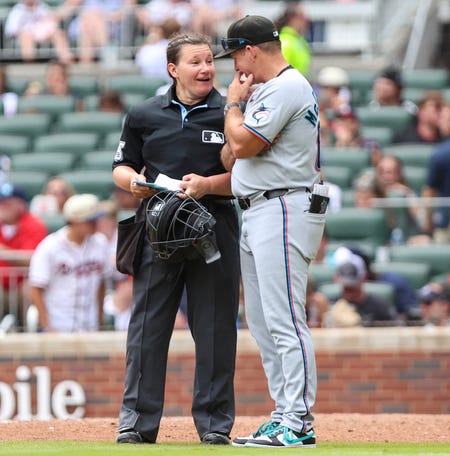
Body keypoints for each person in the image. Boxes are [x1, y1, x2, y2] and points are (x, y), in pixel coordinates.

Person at [113, 32, 240, 445]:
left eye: (209, 61)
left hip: (215, 227)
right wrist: (133, 182)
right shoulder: (144, 113)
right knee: (147, 328)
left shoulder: (231, 112)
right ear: (173, 69)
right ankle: (136, 422)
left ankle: (215, 426)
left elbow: (248, 179)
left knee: (216, 328)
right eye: (196, 62)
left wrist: (208, 185)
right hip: (157, 228)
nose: (206, 69)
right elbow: (122, 165)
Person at [217, 15, 326, 448]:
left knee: (285, 319)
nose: (236, 68)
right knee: (263, 322)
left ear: (251, 49)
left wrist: (232, 106)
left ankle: (298, 420)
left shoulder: (286, 86)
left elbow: (239, 145)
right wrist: (239, 126)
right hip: (260, 207)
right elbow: (231, 158)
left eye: (235, 55)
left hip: (283, 205)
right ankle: (283, 412)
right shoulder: (270, 91)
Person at [28, 193, 110, 332]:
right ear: (74, 221)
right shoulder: (50, 246)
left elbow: (102, 282)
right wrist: (47, 325)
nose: (96, 224)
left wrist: (100, 320)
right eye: (90, 221)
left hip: (90, 327)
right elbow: (36, 288)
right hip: (59, 326)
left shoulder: (100, 242)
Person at [0, 183, 48, 330]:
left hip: (24, 283)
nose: (3, 206)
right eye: (1, 202)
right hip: (1, 285)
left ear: (21, 204)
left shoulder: (34, 224)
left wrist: (3, 252)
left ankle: (28, 334)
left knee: (29, 289)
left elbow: (32, 259)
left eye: (8, 203)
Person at [325, 248, 399, 327]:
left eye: (353, 286)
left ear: (364, 277)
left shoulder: (380, 307)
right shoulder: (332, 305)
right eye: (346, 287)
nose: (349, 289)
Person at [422, 100, 450, 243]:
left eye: (444, 118)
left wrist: (427, 220)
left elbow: (429, 191)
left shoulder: (441, 153)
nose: (440, 122)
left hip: (449, 226)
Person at [4, 0, 74, 63]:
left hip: (42, 34)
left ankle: (66, 58)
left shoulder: (42, 7)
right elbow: (11, 30)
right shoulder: (17, 10)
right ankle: (30, 61)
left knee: (58, 33)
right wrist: (28, 31)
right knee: (26, 34)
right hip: (22, 37)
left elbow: (51, 22)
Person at [274, 1, 312, 77]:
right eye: (302, 16)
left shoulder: (300, 41)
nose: (306, 20)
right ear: (292, 18)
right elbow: (278, 73)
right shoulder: (285, 42)